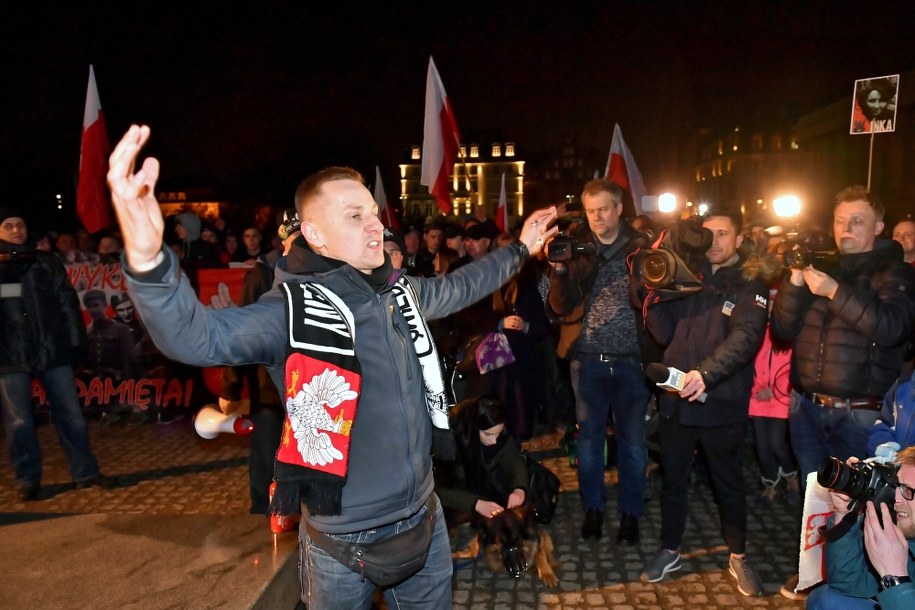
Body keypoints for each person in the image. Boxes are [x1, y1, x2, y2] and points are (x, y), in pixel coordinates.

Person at [106, 124, 557, 610]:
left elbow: (461, 286)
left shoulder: (398, 291)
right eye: (354, 215)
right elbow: (195, 337)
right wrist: (150, 262)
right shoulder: (290, 311)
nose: (375, 225)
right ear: (315, 233)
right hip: (343, 547)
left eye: (373, 212)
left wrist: (520, 248)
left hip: (424, 521)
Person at [771, 185, 915, 599]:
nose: (846, 229)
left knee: (865, 501)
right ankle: (813, 569)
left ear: (879, 226)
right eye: (840, 220)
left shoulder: (895, 272)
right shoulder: (822, 265)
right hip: (807, 407)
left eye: (857, 221)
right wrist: (796, 282)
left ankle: (874, 582)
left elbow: (891, 328)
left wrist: (834, 291)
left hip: (861, 411)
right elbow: (782, 331)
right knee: (816, 496)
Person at [640, 208, 769, 597]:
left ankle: (739, 556)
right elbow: (663, 333)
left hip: (721, 402)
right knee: (673, 483)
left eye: (724, 233)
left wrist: (706, 374)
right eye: (707, 234)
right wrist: (652, 290)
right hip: (677, 401)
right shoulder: (687, 275)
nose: (714, 241)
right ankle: (670, 548)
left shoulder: (750, 283)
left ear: (740, 240)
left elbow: (745, 338)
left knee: (728, 484)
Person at [546, 178, 654, 544]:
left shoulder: (641, 248)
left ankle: (630, 513)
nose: (596, 217)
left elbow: (658, 302)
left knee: (632, 443)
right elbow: (557, 307)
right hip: (587, 360)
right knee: (589, 441)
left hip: (632, 362)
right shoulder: (578, 248)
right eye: (590, 210)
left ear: (620, 208)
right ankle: (593, 508)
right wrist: (558, 270)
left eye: (603, 209)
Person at [0, 208, 113, 500]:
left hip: (52, 349)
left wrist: (76, 343)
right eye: (8, 225)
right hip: (10, 354)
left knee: (71, 416)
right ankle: (28, 479)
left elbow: (67, 305)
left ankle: (85, 473)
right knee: (19, 422)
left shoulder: (46, 262)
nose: (15, 230)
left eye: (20, 224)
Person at [220, 208, 301, 519]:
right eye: (293, 238)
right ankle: (260, 521)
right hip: (269, 389)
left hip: (309, 387)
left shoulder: (325, 273)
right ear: (283, 242)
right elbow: (244, 333)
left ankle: (302, 518)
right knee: (267, 459)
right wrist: (230, 387)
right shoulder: (263, 272)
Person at [805, 448, 915, 609]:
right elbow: (847, 583)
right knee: (826, 601)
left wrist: (895, 577)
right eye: (897, 485)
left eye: (909, 490)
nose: (896, 498)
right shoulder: (901, 528)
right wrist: (843, 514)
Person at [434, 394, 527, 527]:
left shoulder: (500, 433)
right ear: (473, 427)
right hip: (458, 495)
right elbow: (438, 488)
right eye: (488, 434)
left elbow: (514, 462)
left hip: (487, 487)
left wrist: (519, 489)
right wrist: (476, 504)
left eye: (498, 434)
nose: (494, 441)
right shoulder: (450, 441)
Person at [173, 211, 221, 287]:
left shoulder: (208, 248)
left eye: (179, 226)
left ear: (189, 226)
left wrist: (185, 272)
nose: (176, 229)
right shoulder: (181, 247)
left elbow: (213, 272)